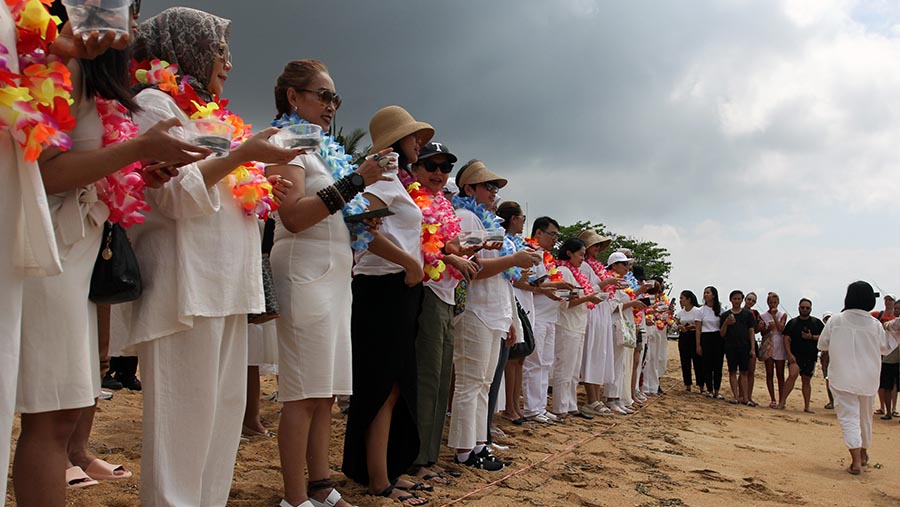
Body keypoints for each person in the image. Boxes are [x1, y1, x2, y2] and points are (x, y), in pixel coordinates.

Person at [110, 8, 297, 506]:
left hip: (228, 283)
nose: (229, 64)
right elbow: (170, 197)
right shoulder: (151, 102)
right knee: (183, 425)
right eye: (220, 51)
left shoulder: (207, 112)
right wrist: (240, 157)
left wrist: (256, 181)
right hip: (185, 286)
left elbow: (218, 183)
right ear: (185, 48)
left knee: (221, 421)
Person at [266, 59, 398, 507]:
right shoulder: (285, 140)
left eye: (335, 98)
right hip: (304, 268)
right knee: (303, 390)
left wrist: (362, 216)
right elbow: (295, 216)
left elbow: (327, 209)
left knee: (323, 390)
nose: (332, 106)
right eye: (324, 95)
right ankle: (293, 496)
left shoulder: (321, 146)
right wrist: (358, 178)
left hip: (334, 271)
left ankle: (321, 485)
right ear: (293, 97)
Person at [342, 105, 431, 505]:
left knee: (393, 385)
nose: (419, 143)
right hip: (382, 288)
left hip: (398, 287)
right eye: (414, 137)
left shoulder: (396, 182)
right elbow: (361, 228)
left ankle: (384, 468)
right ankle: (378, 477)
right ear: (396, 139)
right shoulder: (380, 182)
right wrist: (409, 262)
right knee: (380, 384)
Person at [448, 160, 538, 471]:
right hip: (475, 311)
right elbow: (472, 269)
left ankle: (479, 445)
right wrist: (514, 257)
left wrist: (510, 319)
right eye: (488, 186)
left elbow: (502, 278)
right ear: (468, 188)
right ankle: (464, 449)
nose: (493, 192)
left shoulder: (485, 221)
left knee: (485, 383)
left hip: (493, 311)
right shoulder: (464, 217)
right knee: (471, 383)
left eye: (496, 188)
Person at [409, 142, 476, 483]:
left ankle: (430, 456)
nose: (438, 173)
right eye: (430, 166)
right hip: (426, 291)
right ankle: (418, 458)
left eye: (444, 167)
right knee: (427, 378)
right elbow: (421, 244)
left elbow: (447, 243)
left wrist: (468, 250)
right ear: (415, 169)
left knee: (439, 379)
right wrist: (451, 258)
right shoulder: (411, 200)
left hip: (447, 293)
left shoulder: (443, 205)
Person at [818, 281, 897, 475]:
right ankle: (863, 453)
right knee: (864, 417)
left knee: (848, 417)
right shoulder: (874, 324)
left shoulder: (836, 320)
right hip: (868, 377)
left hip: (842, 376)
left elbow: (822, 344)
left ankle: (855, 460)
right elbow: (885, 348)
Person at [521, 217, 569, 423]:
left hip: (550, 315)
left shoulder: (547, 258)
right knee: (535, 361)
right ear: (538, 233)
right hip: (537, 315)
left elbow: (545, 284)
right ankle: (531, 408)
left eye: (557, 236)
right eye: (552, 234)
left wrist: (558, 289)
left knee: (545, 362)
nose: (554, 240)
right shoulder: (529, 253)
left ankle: (540, 406)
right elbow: (529, 284)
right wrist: (555, 288)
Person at [552, 238, 605, 420]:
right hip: (567, 325)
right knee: (564, 367)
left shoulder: (575, 273)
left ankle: (571, 404)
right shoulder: (563, 272)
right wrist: (588, 298)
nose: (583, 258)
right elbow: (565, 303)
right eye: (580, 254)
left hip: (578, 324)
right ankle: (560, 407)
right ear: (569, 253)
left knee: (574, 369)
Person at [578, 229, 622, 417]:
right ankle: (591, 398)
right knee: (592, 354)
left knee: (600, 354)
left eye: (598, 245)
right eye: (594, 245)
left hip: (602, 312)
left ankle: (596, 396)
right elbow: (586, 289)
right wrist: (605, 284)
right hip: (592, 312)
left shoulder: (597, 267)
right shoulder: (584, 266)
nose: (597, 249)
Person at [605, 252, 647, 414]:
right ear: (614, 266)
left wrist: (633, 302)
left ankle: (617, 398)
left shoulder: (623, 283)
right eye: (623, 264)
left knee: (622, 363)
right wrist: (632, 303)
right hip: (616, 324)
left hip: (625, 323)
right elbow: (612, 306)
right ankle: (611, 398)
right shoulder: (612, 282)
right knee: (615, 362)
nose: (627, 267)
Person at [778, 298, 825, 412]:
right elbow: (786, 338)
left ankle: (807, 406)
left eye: (807, 308)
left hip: (810, 356)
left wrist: (811, 337)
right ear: (798, 308)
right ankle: (782, 402)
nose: (804, 309)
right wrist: (788, 354)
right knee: (792, 375)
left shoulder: (816, 322)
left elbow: (824, 337)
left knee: (806, 380)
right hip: (795, 356)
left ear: (810, 309)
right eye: (802, 307)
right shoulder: (793, 322)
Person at [719, 290, 756, 405]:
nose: (736, 301)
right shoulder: (725, 315)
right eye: (734, 299)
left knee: (744, 372)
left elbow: (751, 331)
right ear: (731, 300)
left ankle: (745, 397)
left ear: (742, 300)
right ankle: (735, 396)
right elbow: (722, 333)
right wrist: (726, 323)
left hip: (744, 346)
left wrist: (753, 348)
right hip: (730, 347)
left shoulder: (748, 315)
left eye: (739, 299)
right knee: (732, 372)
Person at [758, 292, 787, 408]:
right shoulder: (763, 315)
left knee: (780, 374)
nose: (772, 304)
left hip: (779, 343)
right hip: (768, 342)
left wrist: (775, 317)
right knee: (769, 373)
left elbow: (781, 328)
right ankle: (773, 398)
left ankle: (781, 398)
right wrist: (767, 328)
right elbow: (762, 332)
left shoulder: (782, 314)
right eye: (770, 302)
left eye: (774, 302)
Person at [696, 286, 724, 399]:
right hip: (706, 337)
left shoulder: (720, 310)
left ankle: (717, 390)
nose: (705, 294)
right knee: (707, 365)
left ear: (713, 295)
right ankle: (709, 389)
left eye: (708, 292)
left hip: (717, 337)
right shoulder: (700, 310)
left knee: (718, 365)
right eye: (704, 292)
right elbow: (698, 329)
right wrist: (698, 345)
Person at [872, 295, 896, 416]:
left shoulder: (895, 319)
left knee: (894, 384)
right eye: (886, 300)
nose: (887, 302)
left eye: (890, 300)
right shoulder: (877, 314)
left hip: (894, 353)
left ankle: (893, 408)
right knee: (882, 382)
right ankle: (883, 407)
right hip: (881, 351)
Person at [740, 292, 765, 406]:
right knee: (742, 371)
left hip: (751, 342)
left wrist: (761, 326)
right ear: (745, 299)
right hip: (740, 342)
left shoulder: (755, 313)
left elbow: (756, 329)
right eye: (749, 299)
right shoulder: (739, 311)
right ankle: (741, 395)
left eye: (753, 300)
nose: (750, 302)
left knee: (751, 371)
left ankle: (748, 396)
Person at [676, 291, 703, 392]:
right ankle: (687, 384)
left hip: (694, 335)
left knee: (697, 361)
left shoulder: (697, 311)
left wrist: (692, 326)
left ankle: (701, 385)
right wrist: (680, 326)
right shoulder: (681, 313)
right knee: (685, 361)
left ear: (689, 299)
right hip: (684, 336)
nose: (680, 300)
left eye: (682, 298)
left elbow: (700, 325)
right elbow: (676, 323)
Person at [820, 312, 835, 409]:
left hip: (835, 357)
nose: (828, 320)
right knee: (828, 379)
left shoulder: (837, 330)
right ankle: (832, 401)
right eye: (826, 318)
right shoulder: (823, 331)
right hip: (826, 357)